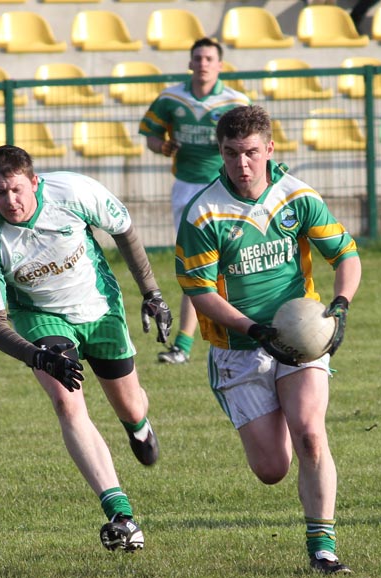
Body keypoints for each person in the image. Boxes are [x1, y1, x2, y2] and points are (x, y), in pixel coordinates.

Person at [175, 105, 361, 574]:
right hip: (239, 350)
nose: (242, 164)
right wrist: (255, 330)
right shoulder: (203, 212)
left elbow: (346, 255)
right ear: (220, 152)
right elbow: (198, 292)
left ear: (269, 149)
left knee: (311, 435)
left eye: (251, 152)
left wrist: (338, 307)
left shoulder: (296, 196)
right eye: (232, 153)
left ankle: (323, 549)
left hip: (302, 339)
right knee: (272, 469)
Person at [0, 145, 173, 553]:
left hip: (100, 308)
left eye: (18, 190)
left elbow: (124, 229)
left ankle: (138, 426)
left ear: (35, 182)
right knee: (67, 402)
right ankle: (120, 513)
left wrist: (153, 294)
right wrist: (34, 355)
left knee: (130, 406)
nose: (10, 201)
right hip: (41, 317)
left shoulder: (74, 191)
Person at [139, 37, 251, 364]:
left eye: (208, 58)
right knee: (196, 264)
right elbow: (150, 136)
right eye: (198, 58)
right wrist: (162, 146)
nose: (202, 63)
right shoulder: (171, 97)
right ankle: (185, 345)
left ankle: (242, 328)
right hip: (187, 188)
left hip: (226, 186)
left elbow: (252, 141)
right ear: (190, 63)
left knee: (234, 260)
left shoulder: (235, 101)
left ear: (219, 65)